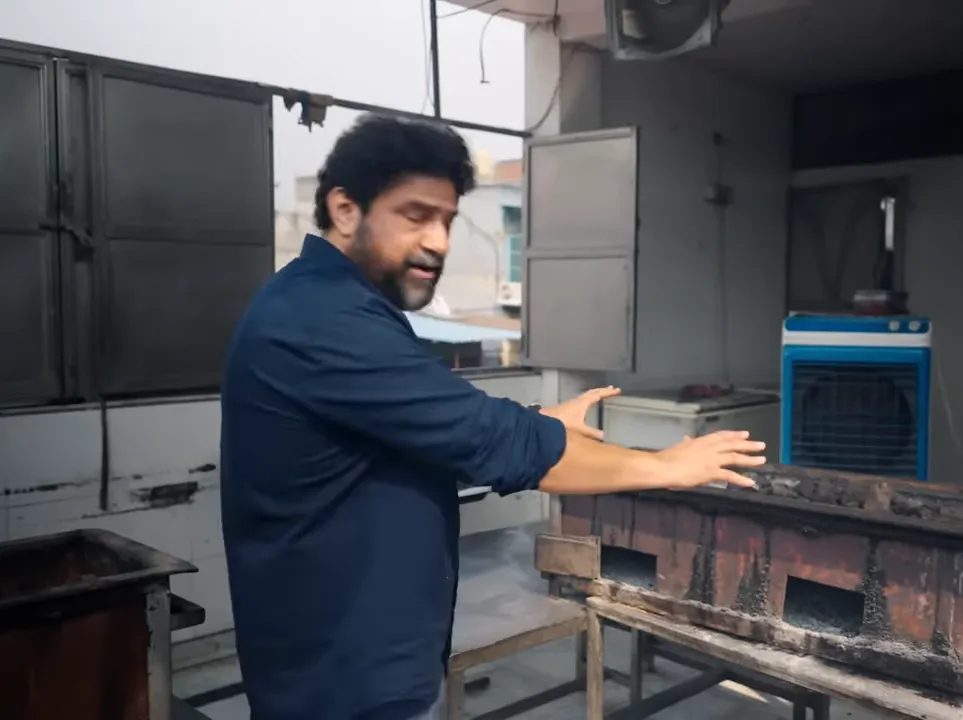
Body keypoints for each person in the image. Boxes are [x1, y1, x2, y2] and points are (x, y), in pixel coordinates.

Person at [220, 114, 766, 720]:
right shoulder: (323, 320)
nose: (440, 242)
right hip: (344, 676)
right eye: (416, 215)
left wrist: (540, 419)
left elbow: (415, 427)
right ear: (346, 210)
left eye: (448, 220)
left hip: (353, 655)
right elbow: (494, 442)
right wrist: (665, 464)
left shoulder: (329, 303)